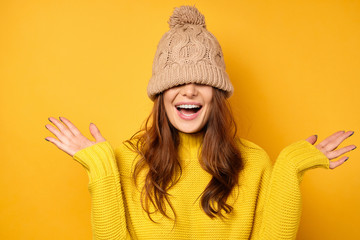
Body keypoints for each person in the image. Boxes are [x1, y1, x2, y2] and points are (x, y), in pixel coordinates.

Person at [45, 5, 356, 240]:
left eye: (202, 81)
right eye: (176, 82)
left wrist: (289, 166)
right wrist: (100, 169)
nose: (189, 90)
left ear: (217, 94)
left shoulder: (253, 162)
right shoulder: (126, 160)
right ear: (161, 94)